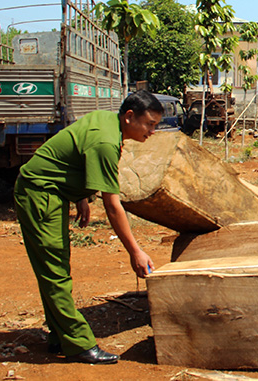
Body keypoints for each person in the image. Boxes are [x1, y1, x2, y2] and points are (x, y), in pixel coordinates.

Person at [14, 90, 162, 364]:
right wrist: (135, 251)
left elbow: (73, 154)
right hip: (41, 194)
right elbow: (112, 206)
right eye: (150, 124)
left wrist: (80, 196)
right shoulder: (106, 142)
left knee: (55, 268)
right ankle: (80, 344)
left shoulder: (105, 121)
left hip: (53, 192)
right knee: (55, 271)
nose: (152, 131)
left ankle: (60, 336)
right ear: (129, 117)